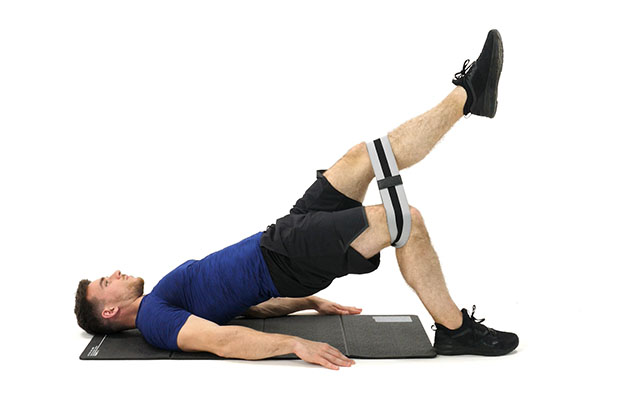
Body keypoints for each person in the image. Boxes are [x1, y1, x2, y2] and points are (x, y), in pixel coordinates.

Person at [75, 29, 518, 370]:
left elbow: (242, 308)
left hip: (283, 236)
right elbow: (221, 341)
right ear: (109, 309)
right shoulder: (155, 320)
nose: (114, 273)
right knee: (404, 220)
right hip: (287, 254)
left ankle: (469, 97)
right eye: (105, 282)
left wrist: (307, 303)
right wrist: (294, 344)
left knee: (361, 156)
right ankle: (455, 330)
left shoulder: (162, 300)